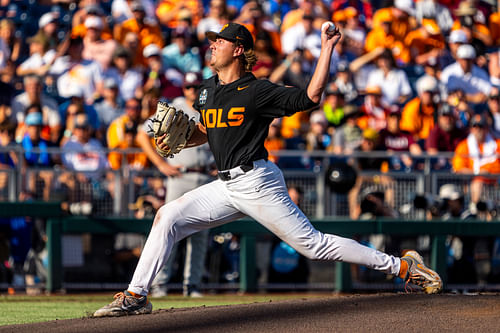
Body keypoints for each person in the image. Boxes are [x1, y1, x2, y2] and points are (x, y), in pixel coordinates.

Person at [94, 22, 442, 317]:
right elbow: (207, 130)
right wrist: (186, 138)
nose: (212, 44)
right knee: (167, 217)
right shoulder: (207, 91)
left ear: (239, 49)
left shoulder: (258, 90)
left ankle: (400, 266)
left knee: (313, 246)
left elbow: (310, 98)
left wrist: (326, 48)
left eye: (220, 40)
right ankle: (136, 296)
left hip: (257, 181)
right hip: (225, 185)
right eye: (213, 40)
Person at [146, 72, 215, 298]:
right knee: (168, 228)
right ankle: (160, 284)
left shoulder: (209, 106)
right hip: (178, 176)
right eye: (188, 86)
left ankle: (192, 284)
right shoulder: (174, 106)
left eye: (196, 86)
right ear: (182, 88)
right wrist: (160, 164)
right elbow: (142, 133)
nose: (192, 90)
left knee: (200, 233)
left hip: (204, 175)